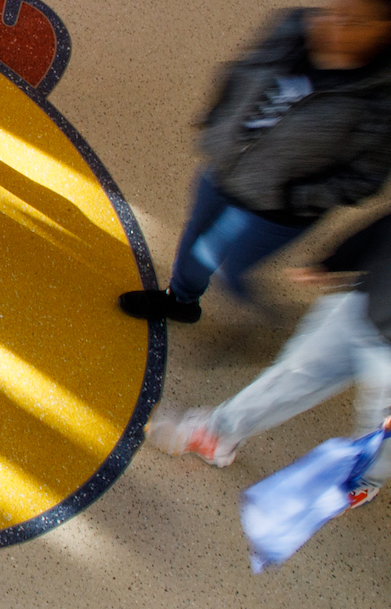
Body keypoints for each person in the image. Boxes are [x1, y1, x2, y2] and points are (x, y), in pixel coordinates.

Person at [120, 0, 391, 323]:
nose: (333, 24)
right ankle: (181, 301)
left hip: (274, 210)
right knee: (195, 237)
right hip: (225, 166)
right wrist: (216, 124)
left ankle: (243, 300)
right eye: (330, 11)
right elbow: (240, 71)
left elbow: (364, 179)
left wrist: (297, 197)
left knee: (222, 262)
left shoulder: (380, 101)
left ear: (383, 30)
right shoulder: (293, 29)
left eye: (353, 21)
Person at [144, 209, 391, 513]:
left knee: (380, 430)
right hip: (368, 299)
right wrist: (338, 260)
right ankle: (219, 432)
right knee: (294, 372)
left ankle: (361, 481)